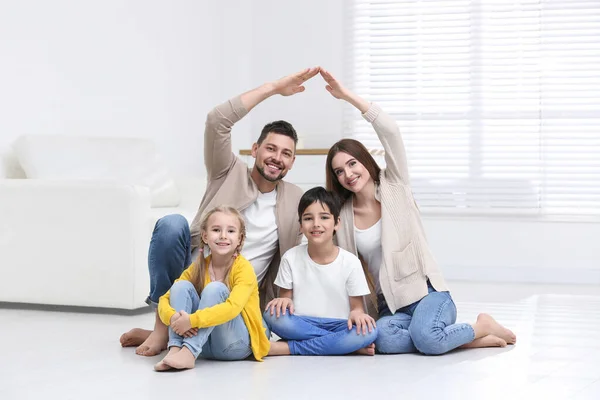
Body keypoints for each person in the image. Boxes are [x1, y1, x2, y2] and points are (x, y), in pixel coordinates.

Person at [120, 67, 320, 356]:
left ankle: (173, 334)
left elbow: (323, 233)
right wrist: (274, 88)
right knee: (171, 224)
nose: (277, 158)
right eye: (271, 149)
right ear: (254, 149)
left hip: (238, 296)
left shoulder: (296, 199)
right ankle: (162, 328)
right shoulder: (227, 170)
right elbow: (217, 121)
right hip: (197, 276)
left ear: (292, 163)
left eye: (286, 154)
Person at [321, 68, 517, 355]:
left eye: (352, 164)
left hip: (428, 295)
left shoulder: (394, 184)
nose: (348, 174)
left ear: (364, 161)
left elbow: (391, 131)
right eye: (339, 171)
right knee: (384, 341)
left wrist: (347, 96)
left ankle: (480, 325)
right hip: (389, 306)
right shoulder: (344, 216)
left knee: (425, 337)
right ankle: (471, 338)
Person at [264, 187, 377, 356]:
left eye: (324, 217)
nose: (316, 224)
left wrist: (358, 315)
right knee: (271, 315)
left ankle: (289, 348)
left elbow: (357, 309)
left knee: (370, 332)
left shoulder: (350, 262)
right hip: (301, 323)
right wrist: (283, 301)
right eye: (308, 218)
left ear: (337, 223)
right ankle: (343, 345)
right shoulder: (290, 257)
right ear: (301, 226)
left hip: (340, 324)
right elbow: (285, 300)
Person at [154, 206, 270, 371]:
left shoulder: (243, 268)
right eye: (216, 230)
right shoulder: (199, 266)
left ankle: (189, 352)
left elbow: (233, 308)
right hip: (206, 346)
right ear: (205, 236)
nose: (223, 236)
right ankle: (176, 349)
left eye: (230, 231)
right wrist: (173, 318)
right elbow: (164, 299)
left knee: (214, 289)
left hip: (236, 345)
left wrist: (191, 321)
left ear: (240, 239)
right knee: (180, 286)